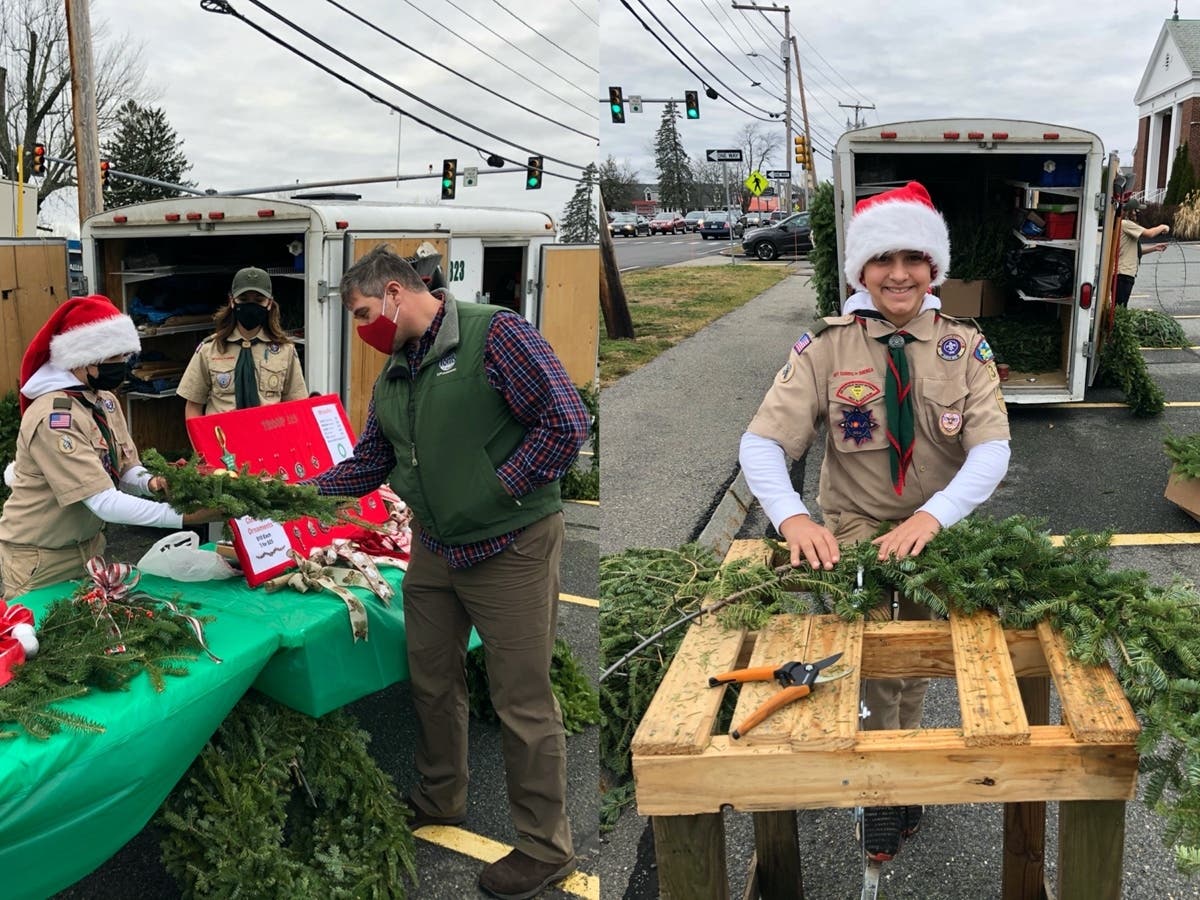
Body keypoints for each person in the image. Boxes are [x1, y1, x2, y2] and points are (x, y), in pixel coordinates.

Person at [738, 181, 1011, 863]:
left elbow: (993, 450)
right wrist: (794, 518)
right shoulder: (829, 347)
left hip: (936, 533)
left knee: (916, 659)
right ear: (861, 269)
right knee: (864, 664)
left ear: (933, 268)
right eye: (883, 259)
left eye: (914, 258)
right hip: (855, 531)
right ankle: (877, 790)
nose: (898, 274)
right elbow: (762, 443)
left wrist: (934, 514)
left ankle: (904, 768)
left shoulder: (963, 346)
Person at [308, 246, 589, 900]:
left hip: (510, 542)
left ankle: (546, 848)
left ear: (396, 294)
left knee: (522, 699)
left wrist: (498, 491)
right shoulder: (395, 374)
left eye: (361, 312)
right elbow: (367, 462)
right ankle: (441, 796)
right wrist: (295, 495)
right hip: (436, 550)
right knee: (431, 676)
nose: (361, 328)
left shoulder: (497, 334)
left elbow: (566, 422)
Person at [0, 295, 221, 598]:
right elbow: (103, 500)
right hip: (41, 560)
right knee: (43, 639)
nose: (122, 365)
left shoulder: (105, 402)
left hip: (91, 549)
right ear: (84, 359)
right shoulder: (55, 417)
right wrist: (184, 517)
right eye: (114, 357)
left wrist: (155, 483)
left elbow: (124, 470)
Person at [177, 266, 307, 418]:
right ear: (232, 301)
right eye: (243, 300)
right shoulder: (210, 349)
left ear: (269, 303)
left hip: (267, 436)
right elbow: (193, 406)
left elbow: (297, 405)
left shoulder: (285, 350)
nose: (251, 306)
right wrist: (201, 442)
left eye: (259, 300)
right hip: (223, 438)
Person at [1116, 197, 1169, 307]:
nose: (1136, 213)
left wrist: (1154, 248)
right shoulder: (1126, 224)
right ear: (1130, 211)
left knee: (1121, 306)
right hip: (1123, 274)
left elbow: (1134, 251)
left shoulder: (1124, 225)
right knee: (1120, 307)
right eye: (1135, 210)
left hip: (1124, 274)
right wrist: (1163, 226)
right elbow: (1149, 233)